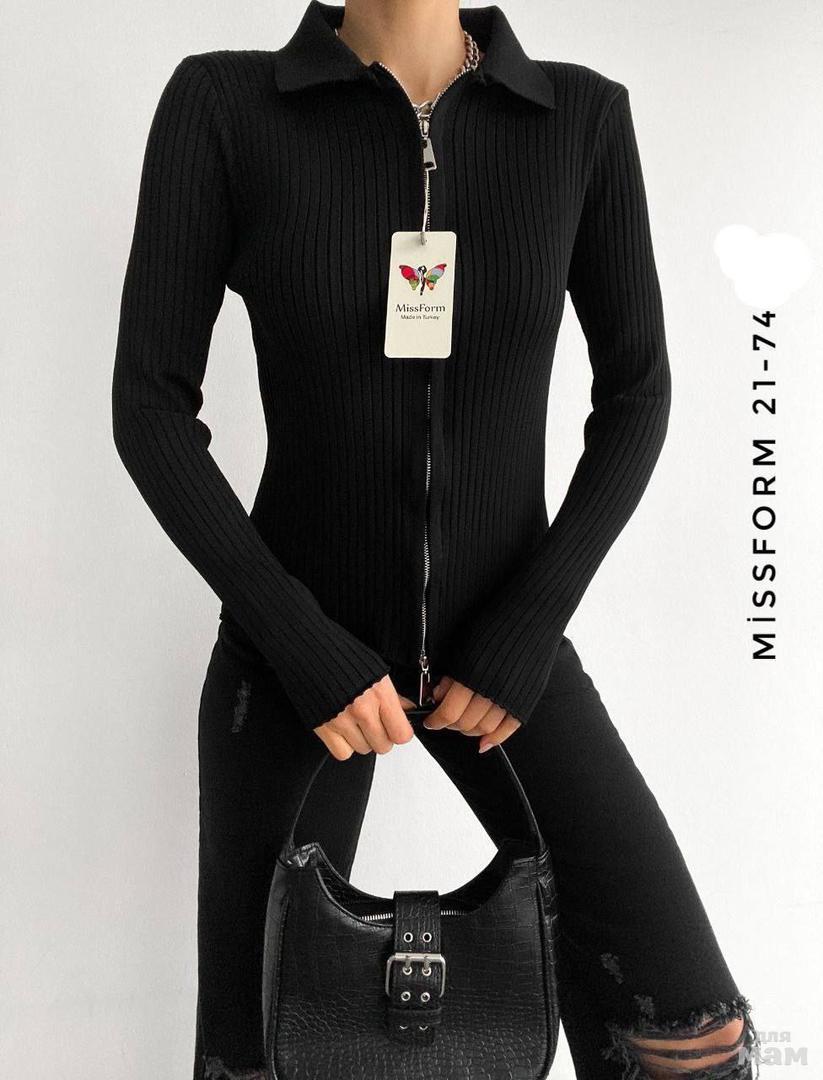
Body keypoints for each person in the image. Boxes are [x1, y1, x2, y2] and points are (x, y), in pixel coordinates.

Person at [111, 2, 759, 1077]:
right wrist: (297, 642)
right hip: (295, 663)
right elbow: (150, 408)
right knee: (259, 1055)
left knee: (689, 1034)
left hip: (506, 652)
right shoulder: (225, 106)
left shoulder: (580, 118)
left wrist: (530, 625)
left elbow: (636, 393)